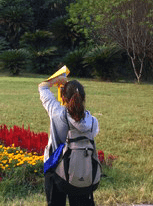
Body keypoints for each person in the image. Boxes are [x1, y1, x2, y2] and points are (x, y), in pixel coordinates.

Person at [39, 75, 99, 206]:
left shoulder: (57, 113)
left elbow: (42, 87)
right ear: (83, 99)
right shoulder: (92, 121)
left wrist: (58, 79)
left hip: (55, 172)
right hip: (81, 171)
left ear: (63, 98)